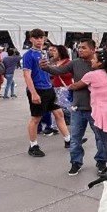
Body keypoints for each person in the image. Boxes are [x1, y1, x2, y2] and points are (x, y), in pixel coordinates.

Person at [41, 37, 107, 176]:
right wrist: (46, 67)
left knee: (100, 138)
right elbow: (59, 71)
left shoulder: (99, 64)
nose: (80, 50)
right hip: (78, 107)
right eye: (79, 47)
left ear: (93, 49)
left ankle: (101, 161)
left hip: (96, 108)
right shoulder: (75, 63)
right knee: (75, 138)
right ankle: (76, 162)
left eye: (83, 47)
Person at [70, 49, 107, 169]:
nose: (91, 61)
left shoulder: (92, 75)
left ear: (99, 63)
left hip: (102, 112)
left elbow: (76, 86)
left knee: (105, 142)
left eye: (94, 59)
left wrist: (67, 86)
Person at [22, 29, 71, 158]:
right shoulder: (28, 55)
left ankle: (68, 140)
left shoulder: (45, 53)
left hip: (49, 89)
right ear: (31, 39)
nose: (39, 40)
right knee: (36, 118)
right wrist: (33, 93)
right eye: (36, 38)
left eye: (41, 38)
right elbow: (27, 75)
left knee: (59, 114)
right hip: (38, 90)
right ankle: (33, 146)